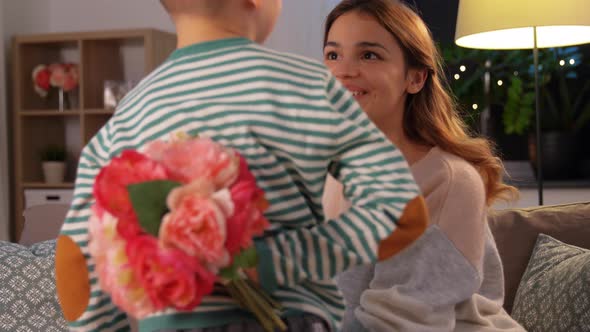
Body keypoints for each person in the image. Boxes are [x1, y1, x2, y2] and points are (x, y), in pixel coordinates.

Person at [54, 1, 429, 331]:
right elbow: (402, 212)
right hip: (289, 318)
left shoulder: (127, 115)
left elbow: (75, 261)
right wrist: (269, 262)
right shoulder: (308, 86)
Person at [322, 0, 524, 331]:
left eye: (369, 54)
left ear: (415, 78)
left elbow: (399, 322)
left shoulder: (449, 182)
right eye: (333, 55)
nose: (343, 71)